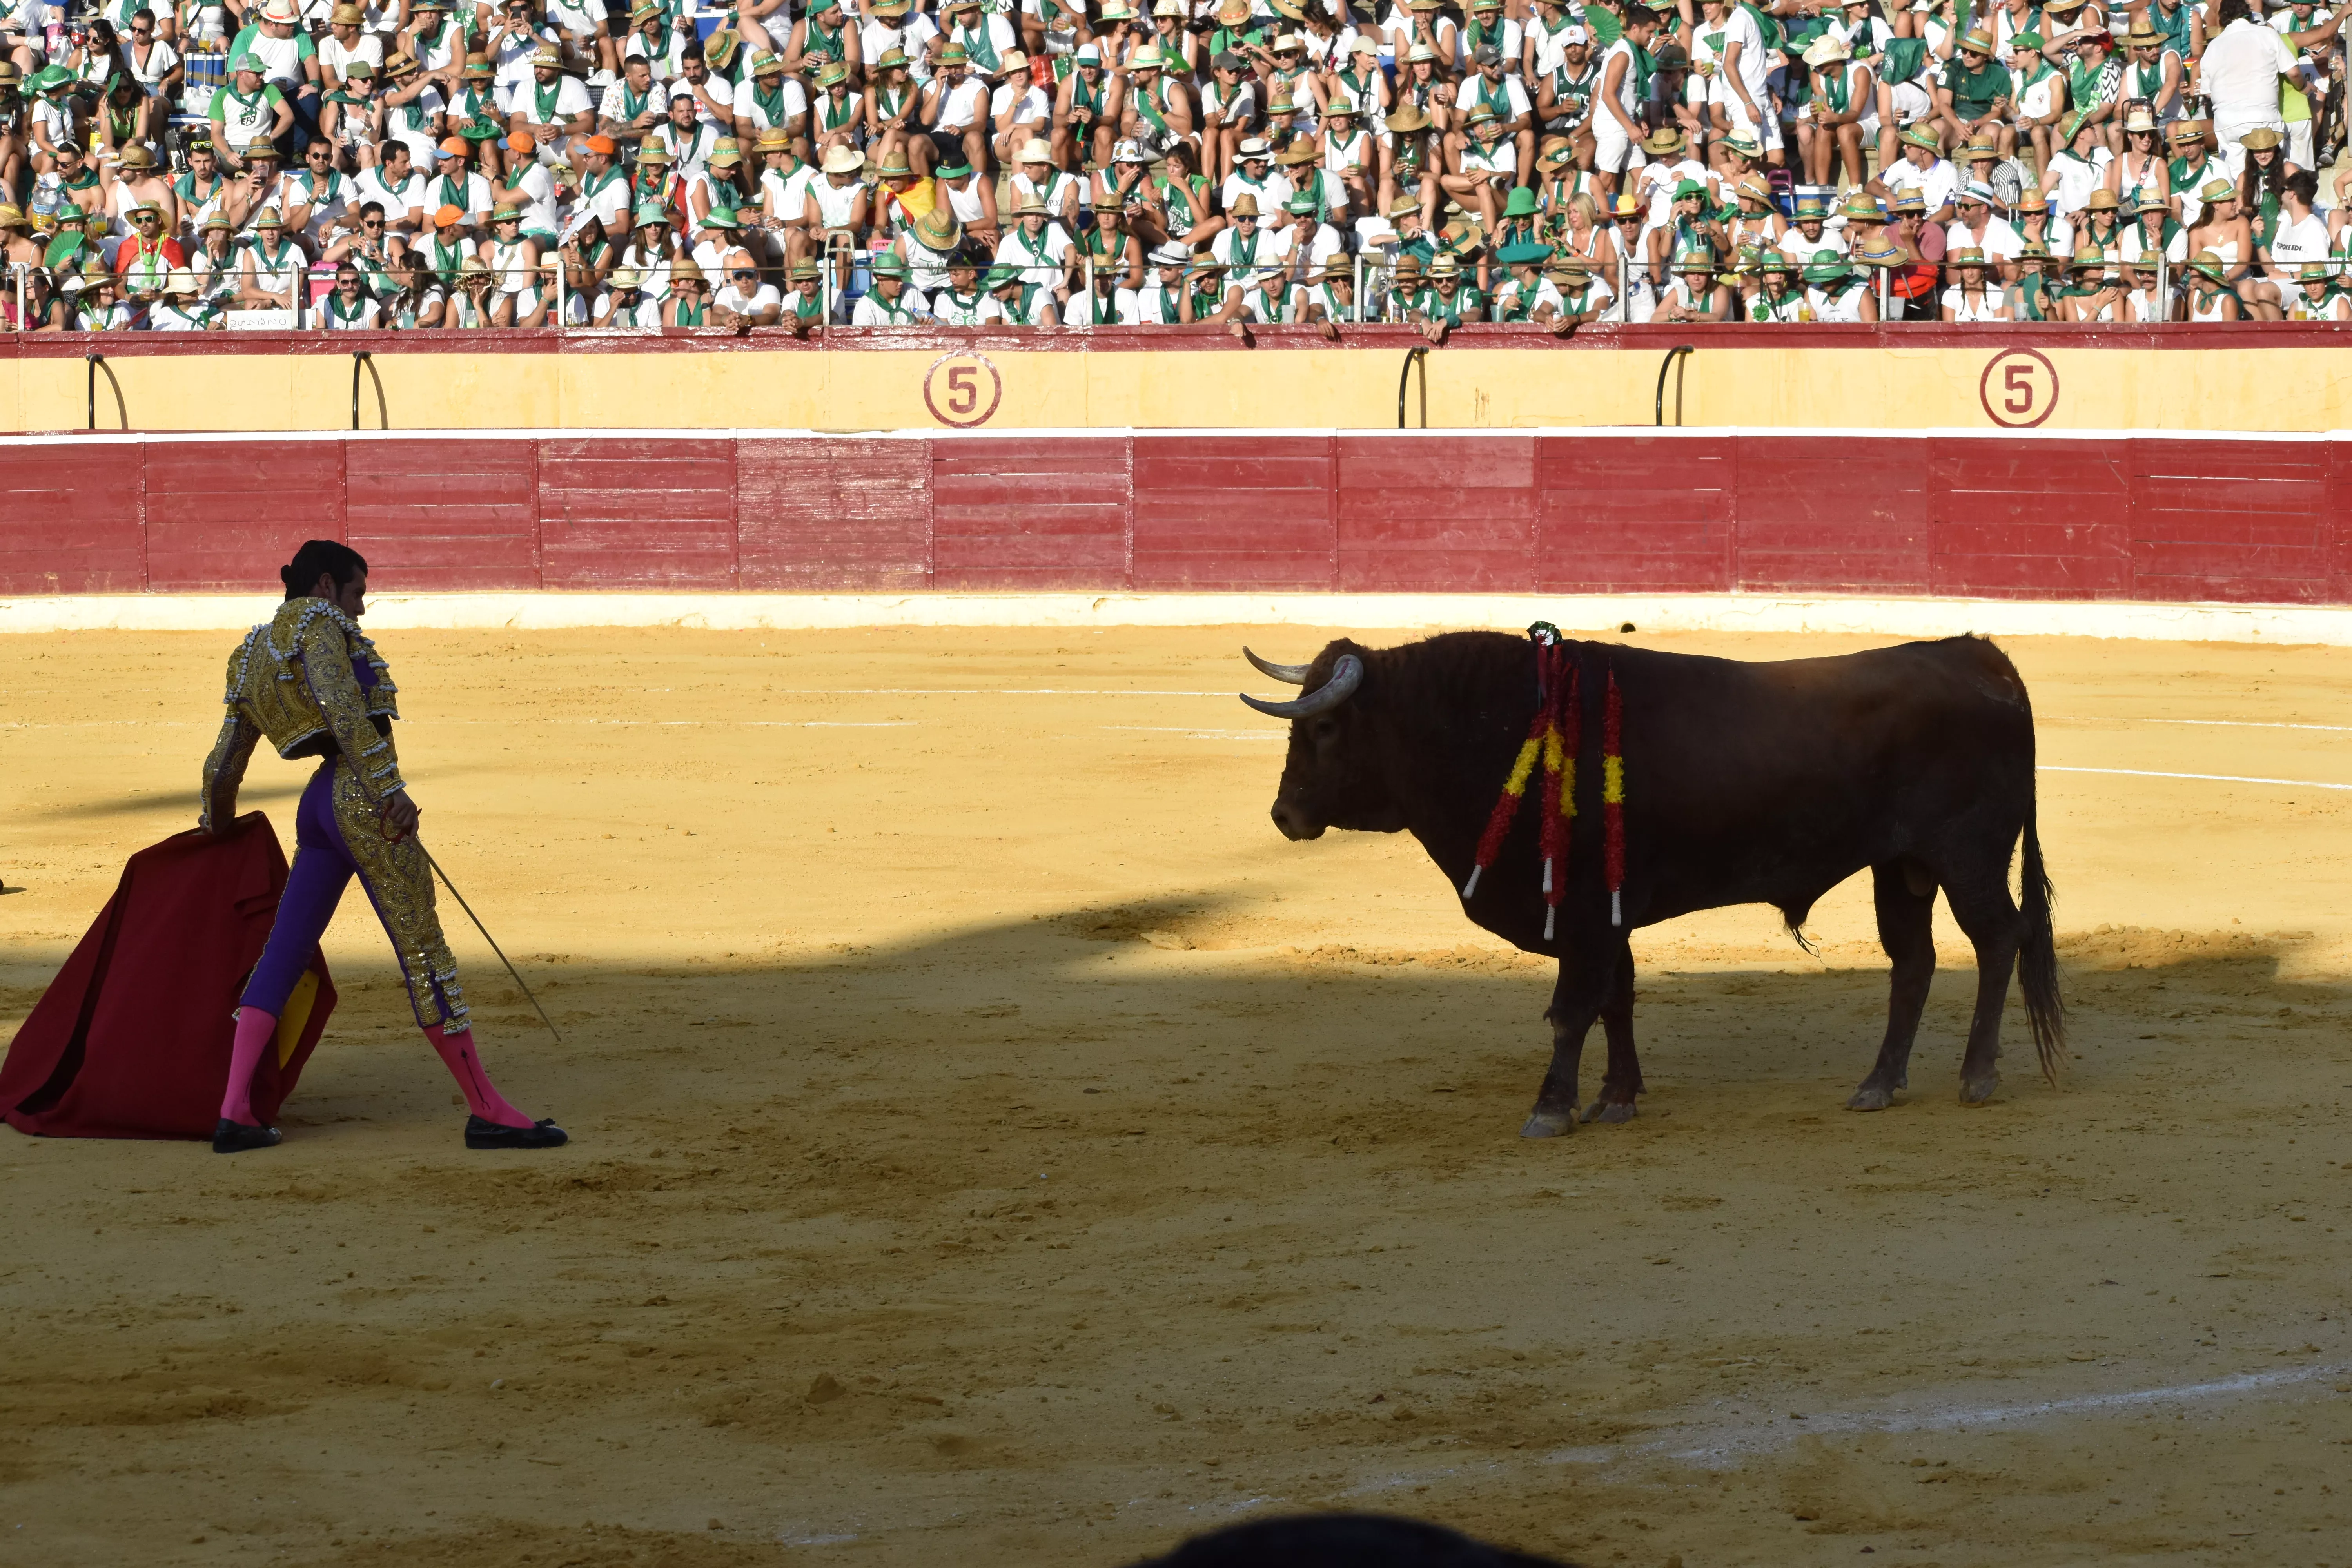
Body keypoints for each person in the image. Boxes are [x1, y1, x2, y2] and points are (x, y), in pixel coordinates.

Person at [199, 540, 564, 1154]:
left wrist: (216, 824)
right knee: (425, 951)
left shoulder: (250, 653)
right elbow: (345, 711)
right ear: (324, 587)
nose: (361, 611)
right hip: (361, 803)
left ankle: (234, 1110)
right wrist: (390, 791)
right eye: (357, 594)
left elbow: (222, 765)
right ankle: (487, 1110)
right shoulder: (319, 624)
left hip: (316, 810)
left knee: (281, 957)